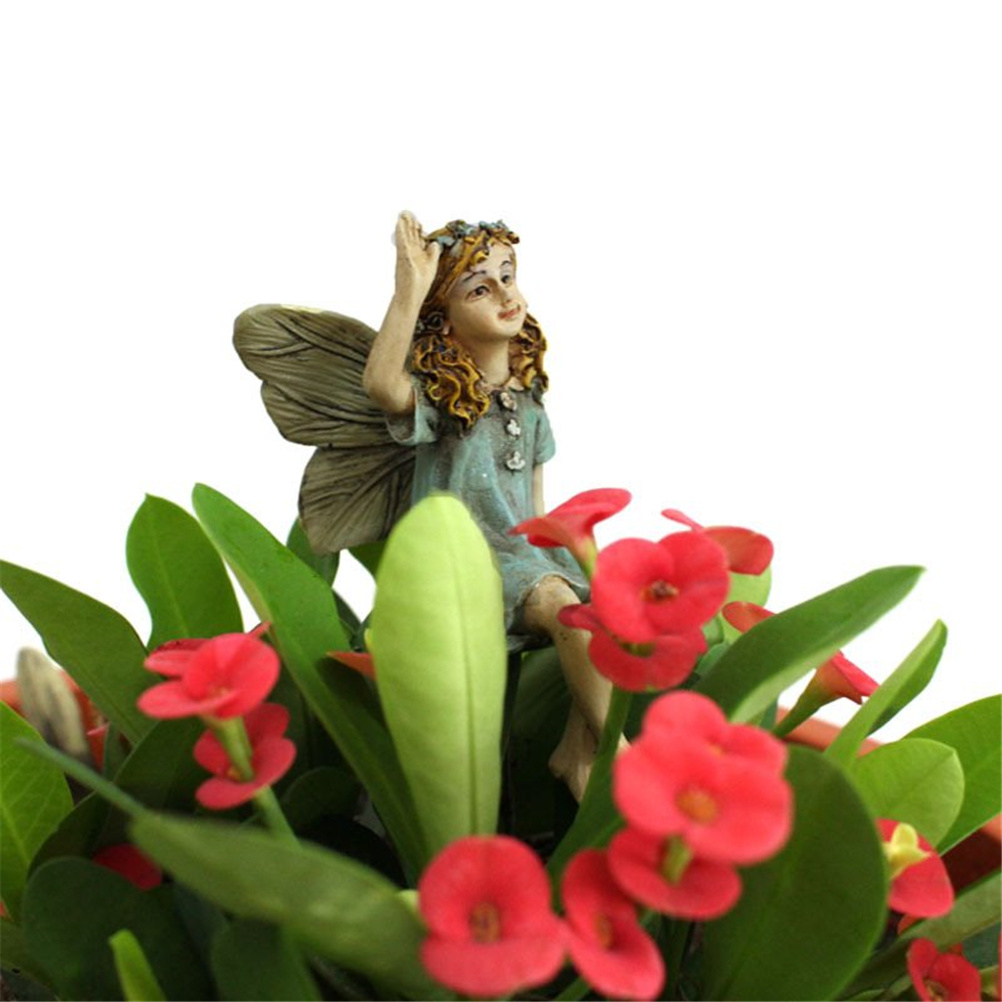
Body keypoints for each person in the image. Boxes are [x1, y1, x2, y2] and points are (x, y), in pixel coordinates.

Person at [363, 212, 613, 799]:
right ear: (443, 319)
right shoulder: (444, 399)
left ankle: (578, 752)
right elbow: (381, 386)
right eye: (479, 289)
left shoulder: (530, 402)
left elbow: (537, 505)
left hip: (523, 557)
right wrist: (408, 291)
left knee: (608, 605)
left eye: (508, 275)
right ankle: (621, 754)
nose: (505, 295)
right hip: (463, 565)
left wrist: (574, 564)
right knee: (561, 605)